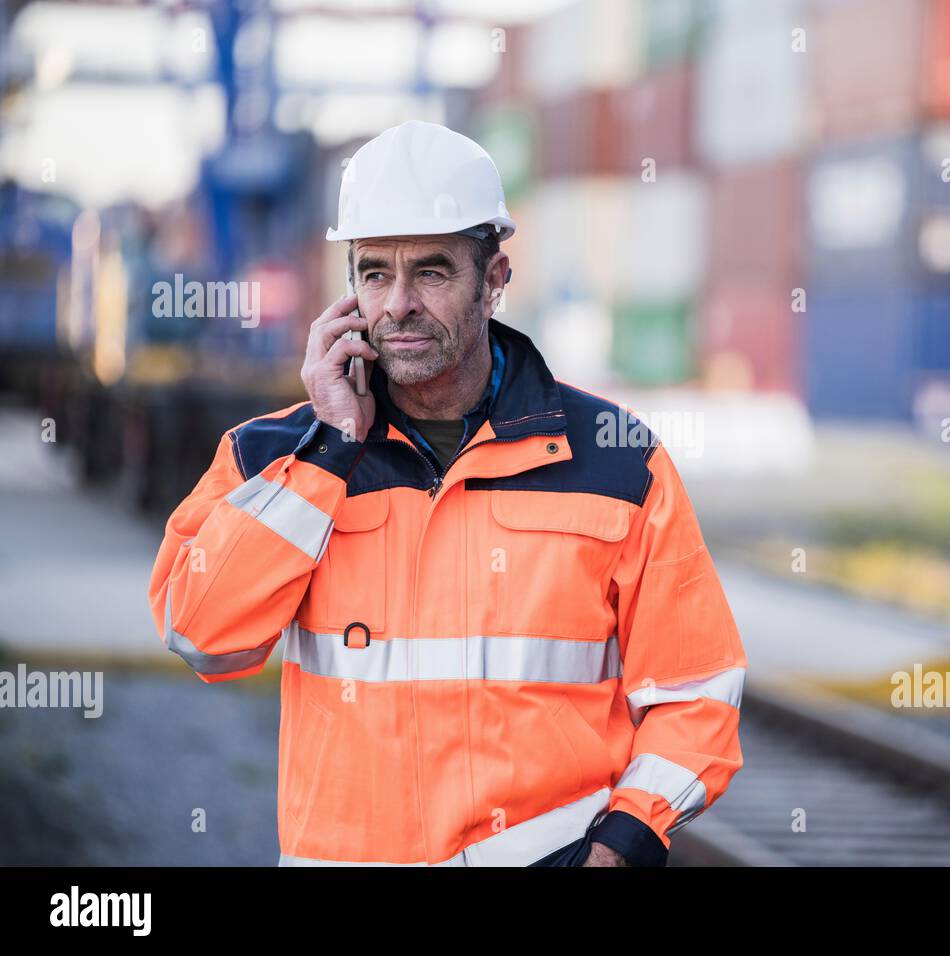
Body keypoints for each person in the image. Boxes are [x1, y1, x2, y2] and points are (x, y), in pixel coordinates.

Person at [147, 121, 747, 867]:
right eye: (374, 273)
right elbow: (204, 638)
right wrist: (329, 453)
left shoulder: (616, 463)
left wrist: (622, 844)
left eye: (431, 273)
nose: (397, 304)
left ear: (494, 277)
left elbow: (697, 692)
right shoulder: (271, 457)